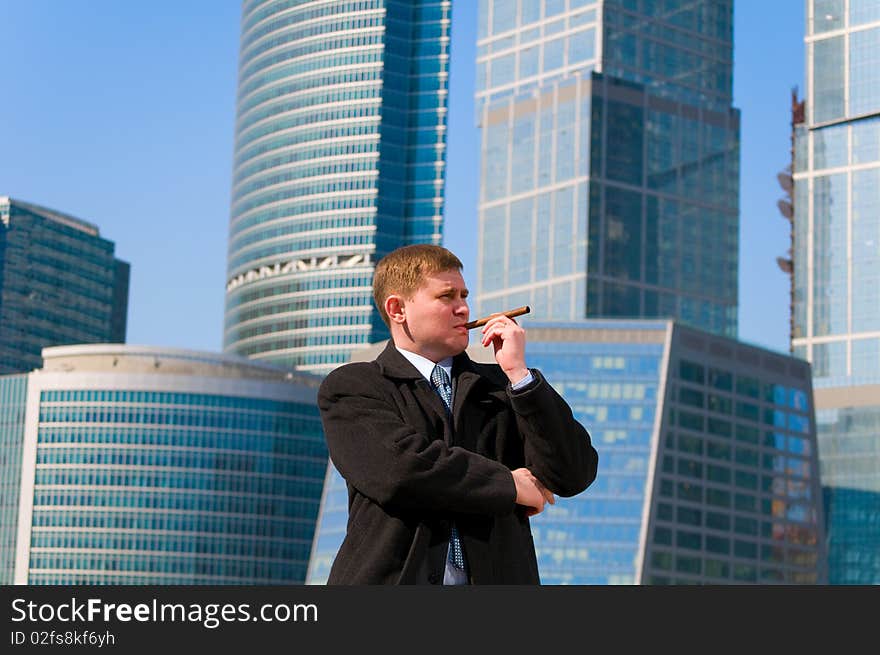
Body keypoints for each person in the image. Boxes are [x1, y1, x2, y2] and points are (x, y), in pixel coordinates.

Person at [317, 244, 598, 584]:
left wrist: (521, 377)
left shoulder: (502, 387)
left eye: (464, 295)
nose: (463, 308)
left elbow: (573, 473)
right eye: (446, 297)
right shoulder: (354, 386)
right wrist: (508, 484)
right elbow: (401, 470)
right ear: (397, 309)